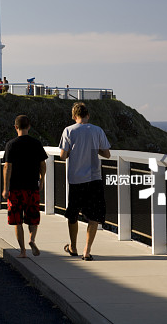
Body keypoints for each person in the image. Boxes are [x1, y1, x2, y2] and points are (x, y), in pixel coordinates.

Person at [60, 102, 111, 261]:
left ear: (74, 116)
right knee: (94, 216)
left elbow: (63, 155)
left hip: (76, 179)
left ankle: (73, 247)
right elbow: (107, 154)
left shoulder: (69, 130)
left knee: (73, 214)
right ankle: (87, 251)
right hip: (94, 178)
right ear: (87, 115)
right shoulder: (97, 130)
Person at [2, 115, 48, 258]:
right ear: (29, 126)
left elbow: (7, 167)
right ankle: (32, 239)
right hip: (31, 187)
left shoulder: (11, 144)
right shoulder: (36, 143)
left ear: (16, 127)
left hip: (15, 188)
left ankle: (22, 251)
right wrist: (42, 179)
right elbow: (43, 164)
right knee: (33, 218)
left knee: (17, 221)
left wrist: (5, 187)